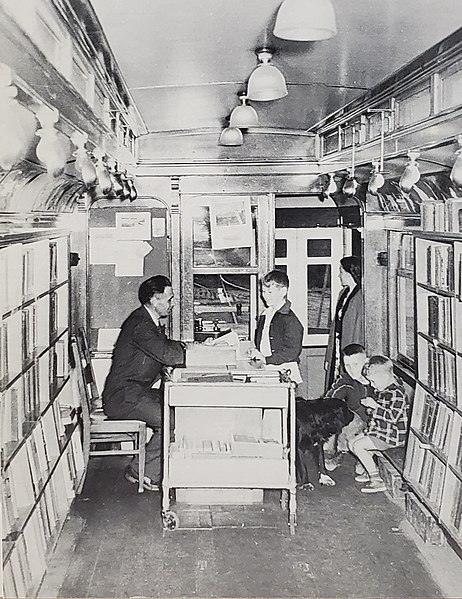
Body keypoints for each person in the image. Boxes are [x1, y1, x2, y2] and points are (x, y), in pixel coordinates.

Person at [102, 275, 185, 491]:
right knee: (171, 420)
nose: (172, 303)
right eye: (169, 299)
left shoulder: (147, 321)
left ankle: (151, 468)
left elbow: (164, 346)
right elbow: (167, 354)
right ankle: (142, 471)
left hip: (134, 392)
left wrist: (184, 346)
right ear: (154, 300)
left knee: (179, 408)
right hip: (123, 397)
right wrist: (191, 352)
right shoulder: (140, 324)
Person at [349, 355, 409, 494]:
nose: (372, 385)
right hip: (380, 431)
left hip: (392, 436)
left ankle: (376, 479)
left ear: (384, 376)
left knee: (358, 446)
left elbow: (393, 417)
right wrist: (371, 409)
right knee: (352, 443)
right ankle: (370, 468)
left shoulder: (396, 393)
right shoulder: (384, 389)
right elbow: (381, 412)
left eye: (373, 381)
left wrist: (375, 407)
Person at [323, 343, 373, 472]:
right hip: (356, 422)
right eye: (347, 365)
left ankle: (366, 458)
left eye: (356, 364)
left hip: (378, 423)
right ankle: (333, 453)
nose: (352, 370)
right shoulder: (346, 381)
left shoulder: (376, 377)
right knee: (334, 413)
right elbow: (330, 399)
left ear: (366, 361)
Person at [249, 269, 304, 384]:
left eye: (270, 292)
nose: (265, 296)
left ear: (283, 291)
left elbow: (292, 351)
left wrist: (267, 359)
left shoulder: (290, 320)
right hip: (268, 369)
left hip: (284, 372)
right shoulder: (266, 314)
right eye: (263, 292)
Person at [324, 255, 364, 392]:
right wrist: (329, 356)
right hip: (337, 348)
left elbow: (358, 331)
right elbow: (335, 326)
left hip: (350, 352)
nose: (339, 275)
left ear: (350, 273)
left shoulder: (361, 297)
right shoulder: (343, 293)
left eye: (341, 271)